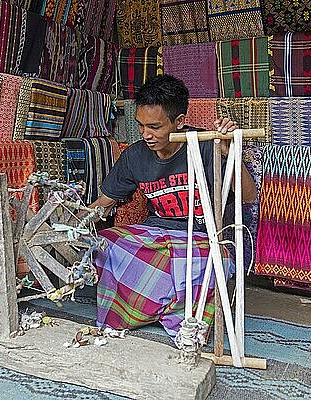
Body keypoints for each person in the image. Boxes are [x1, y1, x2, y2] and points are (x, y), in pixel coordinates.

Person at [90, 74, 256, 338]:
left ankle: (160, 310)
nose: (145, 135)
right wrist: (72, 227)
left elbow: (247, 197)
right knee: (105, 243)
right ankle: (162, 308)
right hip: (155, 236)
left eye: (154, 127)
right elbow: (103, 203)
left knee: (215, 261)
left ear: (179, 122)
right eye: (141, 126)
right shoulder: (134, 155)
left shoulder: (206, 145)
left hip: (201, 237)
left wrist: (229, 151)